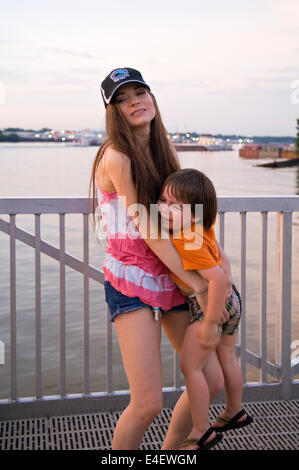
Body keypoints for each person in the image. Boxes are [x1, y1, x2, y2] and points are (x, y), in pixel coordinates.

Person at [89, 67, 232, 450]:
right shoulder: (116, 156)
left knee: (213, 378)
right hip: (131, 281)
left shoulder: (163, 150)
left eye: (140, 92)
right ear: (113, 111)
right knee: (148, 403)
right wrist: (200, 280)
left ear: (152, 97)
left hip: (170, 278)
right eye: (122, 98)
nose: (134, 101)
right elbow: (150, 231)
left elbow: (189, 220)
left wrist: (215, 265)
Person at [157, 168, 253, 451]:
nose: (163, 208)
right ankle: (234, 410)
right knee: (228, 358)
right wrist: (228, 275)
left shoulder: (186, 239)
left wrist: (210, 323)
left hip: (210, 306)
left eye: (175, 206)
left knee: (191, 367)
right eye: (162, 200)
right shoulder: (201, 228)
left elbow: (216, 278)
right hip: (231, 300)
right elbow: (222, 258)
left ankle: (200, 431)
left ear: (195, 214)